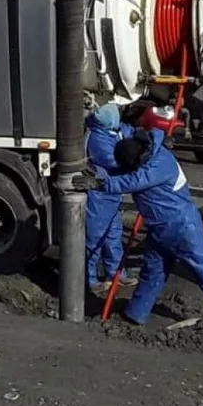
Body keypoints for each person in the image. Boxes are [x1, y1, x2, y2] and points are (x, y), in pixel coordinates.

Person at [92, 126, 203, 324]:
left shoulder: (158, 165)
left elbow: (132, 181)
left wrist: (101, 184)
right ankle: (135, 314)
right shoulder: (149, 151)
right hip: (160, 229)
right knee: (152, 272)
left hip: (182, 227)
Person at [84, 104, 136, 294]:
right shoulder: (98, 138)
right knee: (94, 237)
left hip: (112, 194)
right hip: (100, 194)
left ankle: (115, 273)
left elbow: (129, 133)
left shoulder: (114, 131)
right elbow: (115, 161)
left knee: (113, 234)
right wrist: (134, 159)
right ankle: (88, 278)